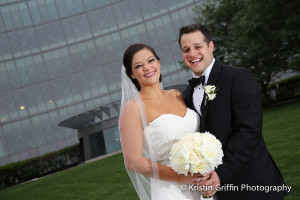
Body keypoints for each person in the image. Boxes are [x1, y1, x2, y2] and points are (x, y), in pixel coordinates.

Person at [179, 24, 289, 200]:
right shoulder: (186, 95)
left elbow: (249, 130)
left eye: (198, 47)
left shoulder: (238, 77)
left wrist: (221, 174)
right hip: (221, 193)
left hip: (255, 183)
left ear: (211, 46)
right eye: (186, 49)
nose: (192, 54)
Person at [119, 43, 212, 200]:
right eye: (139, 66)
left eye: (151, 60)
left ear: (158, 62)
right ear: (132, 74)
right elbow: (133, 161)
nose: (147, 68)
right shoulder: (133, 108)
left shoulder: (176, 95)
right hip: (170, 190)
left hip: (202, 181)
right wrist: (181, 177)